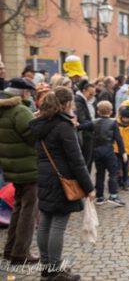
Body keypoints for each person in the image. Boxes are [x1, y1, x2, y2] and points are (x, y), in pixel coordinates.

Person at [29, 87, 96, 281]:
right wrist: (89, 187)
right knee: (57, 225)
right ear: (66, 104)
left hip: (44, 176)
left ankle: (47, 269)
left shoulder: (40, 123)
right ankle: (56, 270)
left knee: (45, 223)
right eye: (72, 103)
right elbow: (76, 161)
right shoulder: (63, 126)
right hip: (61, 179)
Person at [0, 78, 39, 265]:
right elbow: (33, 137)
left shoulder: (4, 108)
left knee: (18, 206)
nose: (30, 95)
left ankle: (10, 249)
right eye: (29, 92)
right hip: (28, 167)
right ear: (23, 93)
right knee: (28, 211)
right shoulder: (21, 110)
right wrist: (38, 121)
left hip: (12, 165)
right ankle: (21, 252)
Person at [79, 101, 127, 206]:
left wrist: (74, 123)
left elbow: (82, 126)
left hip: (96, 152)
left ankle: (100, 197)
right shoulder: (113, 123)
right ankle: (113, 195)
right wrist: (123, 152)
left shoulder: (94, 122)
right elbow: (119, 139)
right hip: (109, 151)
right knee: (113, 173)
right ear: (111, 112)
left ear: (98, 112)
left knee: (99, 174)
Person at [75, 80, 96, 171]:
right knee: (86, 161)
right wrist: (96, 123)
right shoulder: (79, 102)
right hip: (85, 135)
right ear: (84, 91)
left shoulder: (87, 101)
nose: (92, 97)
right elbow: (82, 121)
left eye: (93, 94)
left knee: (89, 161)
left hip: (88, 134)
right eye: (90, 94)